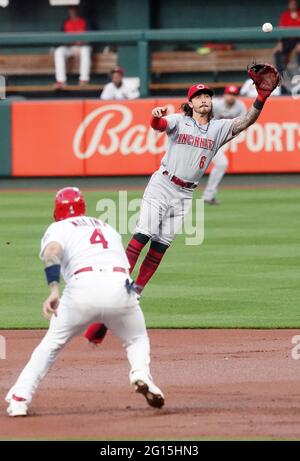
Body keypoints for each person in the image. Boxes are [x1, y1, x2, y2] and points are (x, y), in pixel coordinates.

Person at [5, 187, 164, 417]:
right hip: (121, 287)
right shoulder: (108, 228)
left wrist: (53, 289)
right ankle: (140, 374)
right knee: (136, 338)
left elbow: (52, 252)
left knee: (51, 345)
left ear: (57, 210)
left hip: (83, 288)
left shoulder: (59, 227)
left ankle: (20, 398)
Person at [125, 75, 277, 295]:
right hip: (163, 184)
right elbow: (159, 125)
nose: (204, 99)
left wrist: (261, 98)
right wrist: (155, 117)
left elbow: (246, 121)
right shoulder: (179, 120)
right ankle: (117, 284)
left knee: (160, 245)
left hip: (185, 193)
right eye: (198, 96)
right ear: (190, 103)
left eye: (207, 95)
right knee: (143, 234)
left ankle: (136, 292)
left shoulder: (219, 129)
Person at [202, 85, 247, 205]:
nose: (231, 97)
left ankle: (208, 195)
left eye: (234, 94)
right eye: (229, 94)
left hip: (216, 141)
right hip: (205, 138)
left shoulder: (240, 106)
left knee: (221, 164)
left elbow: (245, 122)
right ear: (224, 95)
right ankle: (205, 195)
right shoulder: (215, 104)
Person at [54, 6, 92, 87]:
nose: (72, 12)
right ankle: (61, 81)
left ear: (77, 11)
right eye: (71, 10)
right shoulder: (66, 23)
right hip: (70, 47)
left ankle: (84, 80)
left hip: (82, 47)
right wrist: (67, 42)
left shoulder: (85, 21)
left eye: (74, 10)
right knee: (59, 51)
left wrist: (81, 42)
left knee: (85, 50)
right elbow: (61, 39)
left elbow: (90, 38)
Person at [273, 0, 300, 74]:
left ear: (297, 5)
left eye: (294, 4)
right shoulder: (285, 15)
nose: (293, 5)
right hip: (287, 39)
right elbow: (281, 30)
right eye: (291, 4)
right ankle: (281, 74)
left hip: (298, 40)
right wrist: (280, 42)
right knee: (277, 51)